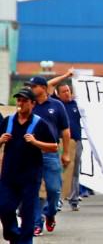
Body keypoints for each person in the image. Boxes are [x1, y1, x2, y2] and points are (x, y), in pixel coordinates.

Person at [0, 88, 57, 244]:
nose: (21, 103)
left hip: (30, 176)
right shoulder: (7, 121)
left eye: (24, 101)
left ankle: (25, 241)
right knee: (4, 207)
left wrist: (35, 142)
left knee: (27, 212)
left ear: (33, 104)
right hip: (8, 175)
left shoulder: (40, 124)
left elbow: (54, 146)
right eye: (19, 100)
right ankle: (13, 234)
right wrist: (1, 140)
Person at [25, 76, 70, 236]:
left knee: (54, 189)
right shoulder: (29, 105)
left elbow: (65, 130)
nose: (31, 88)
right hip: (31, 153)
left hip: (51, 152)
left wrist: (65, 153)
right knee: (33, 190)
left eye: (34, 86)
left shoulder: (57, 105)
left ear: (43, 88)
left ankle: (50, 213)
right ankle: (37, 223)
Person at [47, 69, 83, 211]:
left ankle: (74, 199)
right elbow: (49, 84)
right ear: (58, 94)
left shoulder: (76, 104)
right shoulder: (55, 104)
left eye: (68, 90)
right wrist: (65, 75)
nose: (67, 93)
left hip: (76, 141)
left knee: (75, 171)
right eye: (64, 91)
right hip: (61, 142)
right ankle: (59, 199)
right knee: (59, 171)